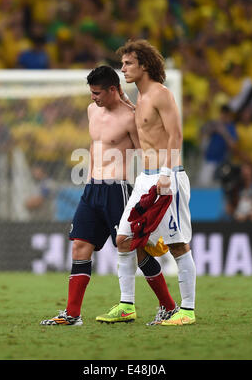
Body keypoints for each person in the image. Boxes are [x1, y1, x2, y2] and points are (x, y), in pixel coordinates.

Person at [40, 65, 177, 326]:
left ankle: (169, 306)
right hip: (92, 189)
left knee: (134, 249)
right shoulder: (92, 110)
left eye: (97, 92)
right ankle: (72, 314)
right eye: (91, 93)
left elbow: (147, 152)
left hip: (118, 190)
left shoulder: (130, 117)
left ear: (113, 90)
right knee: (80, 246)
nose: (93, 97)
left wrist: (153, 185)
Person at [96, 40, 196, 326]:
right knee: (124, 239)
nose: (123, 68)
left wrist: (166, 173)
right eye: (123, 63)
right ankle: (127, 305)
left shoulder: (161, 94)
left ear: (144, 65)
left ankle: (187, 310)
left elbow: (175, 135)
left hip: (169, 176)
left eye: (128, 63)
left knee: (178, 245)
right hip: (145, 179)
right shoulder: (139, 98)